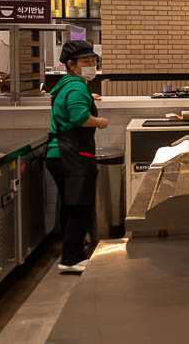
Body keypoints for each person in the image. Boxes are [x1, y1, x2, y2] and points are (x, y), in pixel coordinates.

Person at [46, 40, 109, 274]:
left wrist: (87, 95)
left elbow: (70, 105)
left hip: (58, 153)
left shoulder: (68, 84)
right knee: (79, 205)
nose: (91, 64)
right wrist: (101, 122)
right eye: (86, 61)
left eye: (93, 60)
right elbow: (79, 118)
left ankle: (71, 250)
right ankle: (71, 258)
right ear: (72, 65)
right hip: (70, 154)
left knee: (69, 205)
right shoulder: (75, 87)